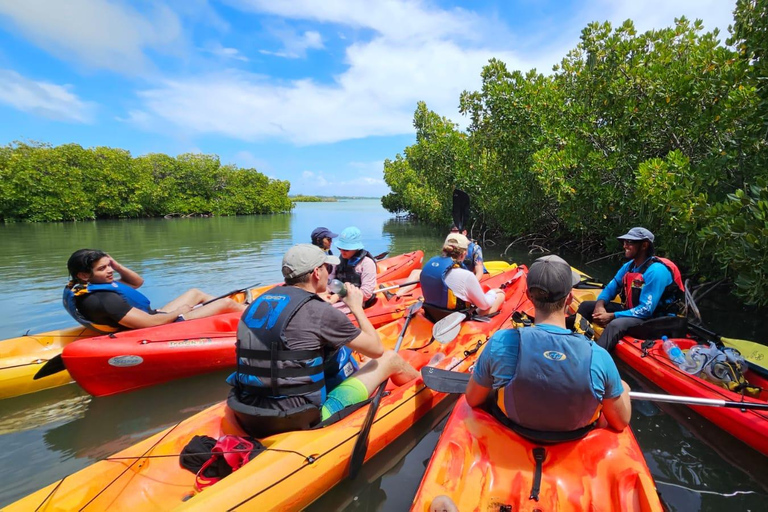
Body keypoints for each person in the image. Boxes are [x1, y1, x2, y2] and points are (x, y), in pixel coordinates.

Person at [428, 255, 631, 512]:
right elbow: (620, 422)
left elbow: (473, 399)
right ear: (569, 299)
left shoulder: (501, 343)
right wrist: (623, 389)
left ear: (529, 296)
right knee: (620, 389)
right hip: (575, 437)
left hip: (512, 427)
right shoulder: (599, 356)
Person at [227, 244, 420, 438]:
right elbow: (376, 349)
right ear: (316, 273)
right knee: (390, 359)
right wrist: (356, 307)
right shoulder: (319, 312)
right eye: (327, 268)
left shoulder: (257, 303)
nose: (330, 273)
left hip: (247, 409)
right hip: (298, 418)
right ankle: (423, 385)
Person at [63, 249, 245, 333]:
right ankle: (256, 318)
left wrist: (117, 266)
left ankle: (235, 315)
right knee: (226, 303)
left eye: (109, 265)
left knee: (195, 293)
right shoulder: (104, 299)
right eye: (103, 268)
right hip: (160, 327)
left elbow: (136, 283)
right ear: (84, 275)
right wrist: (179, 311)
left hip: (155, 315)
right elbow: (149, 324)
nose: (109, 270)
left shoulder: (89, 286)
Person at [576, 227, 685, 352]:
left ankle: (594, 357)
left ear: (644, 245)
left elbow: (646, 310)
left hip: (654, 320)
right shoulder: (630, 266)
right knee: (586, 306)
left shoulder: (656, 271)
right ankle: (576, 343)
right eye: (624, 242)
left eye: (630, 242)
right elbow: (611, 287)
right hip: (634, 311)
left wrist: (612, 316)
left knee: (615, 324)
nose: (625, 246)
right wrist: (599, 305)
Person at [420, 233, 504, 318]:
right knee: (500, 295)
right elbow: (484, 305)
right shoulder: (467, 276)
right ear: (464, 253)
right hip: (454, 318)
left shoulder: (428, 267)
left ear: (444, 250)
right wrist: (492, 293)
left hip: (431, 314)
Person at [326, 226, 378, 308]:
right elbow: (329, 281)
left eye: (346, 249)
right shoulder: (338, 262)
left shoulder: (367, 263)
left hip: (357, 302)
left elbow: (366, 293)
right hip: (338, 299)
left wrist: (338, 296)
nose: (342, 251)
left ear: (356, 248)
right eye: (340, 248)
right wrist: (325, 293)